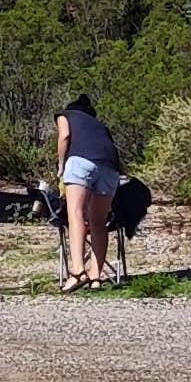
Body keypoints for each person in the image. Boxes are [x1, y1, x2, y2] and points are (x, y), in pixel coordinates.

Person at [53, 93, 125, 290]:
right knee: (99, 222)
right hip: (110, 168)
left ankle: (78, 272)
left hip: (80, 162)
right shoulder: (99, 125)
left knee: (75, 214)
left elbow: (64, 136)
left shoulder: (65, 115)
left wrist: (61, 164)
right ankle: (95, 277)